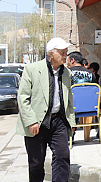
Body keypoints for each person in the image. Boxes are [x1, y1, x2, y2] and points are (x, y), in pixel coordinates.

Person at [16, 37, 76, 182]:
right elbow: (23, 98)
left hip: (58, 121)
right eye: (62, 52)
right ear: (51, 54)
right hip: (37, 122)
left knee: (62, 157)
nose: (65, 56)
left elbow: (68, 100)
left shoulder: (66, 73)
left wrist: (72, 122)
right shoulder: (32, 69)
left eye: (66, 52)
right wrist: (31, 121)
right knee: (36, 163)